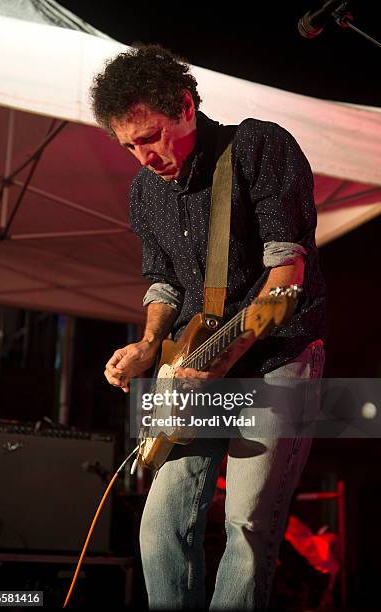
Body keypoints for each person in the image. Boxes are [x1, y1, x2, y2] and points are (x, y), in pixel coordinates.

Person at [91, 44, 326, 610]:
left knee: (246, 529)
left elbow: (284, 281)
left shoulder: (258, 147)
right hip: (197, 370)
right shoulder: (144, 193)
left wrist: (220, 361)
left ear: (186, 107)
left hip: (276, 358)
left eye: (149, 138)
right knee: (160, 527)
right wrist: (149, 346)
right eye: (128, 147)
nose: (142, 157)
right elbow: (164, 284)